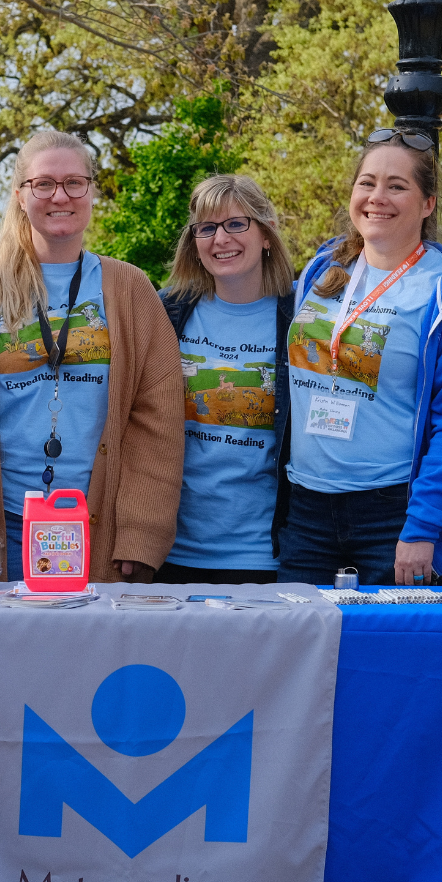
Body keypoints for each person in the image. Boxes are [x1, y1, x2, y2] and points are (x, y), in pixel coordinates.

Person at [274, 129, 442, 586]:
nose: (378, 197)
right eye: (367, 183)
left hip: (393, 516)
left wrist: (422, 529)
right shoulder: (323, 269)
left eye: (397, 186)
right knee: (300, 653)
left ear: (428, 203)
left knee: (391, 656)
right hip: (306, 509)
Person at [0, 130, 183, 583]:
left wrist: (141, 531)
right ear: (20, 196)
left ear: (91, 191)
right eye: (43, 184)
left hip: (94, 522)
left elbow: (158, 418)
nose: (59, 196)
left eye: (74, 183)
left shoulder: (129, 289)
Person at [156, 175, 295, 585]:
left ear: (266, 235)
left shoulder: (301, 315)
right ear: (194, 243)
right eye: (207, 228)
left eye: (237, 224)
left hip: (263, 553)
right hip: (174, 550)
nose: (221, 239)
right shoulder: (168, 314)